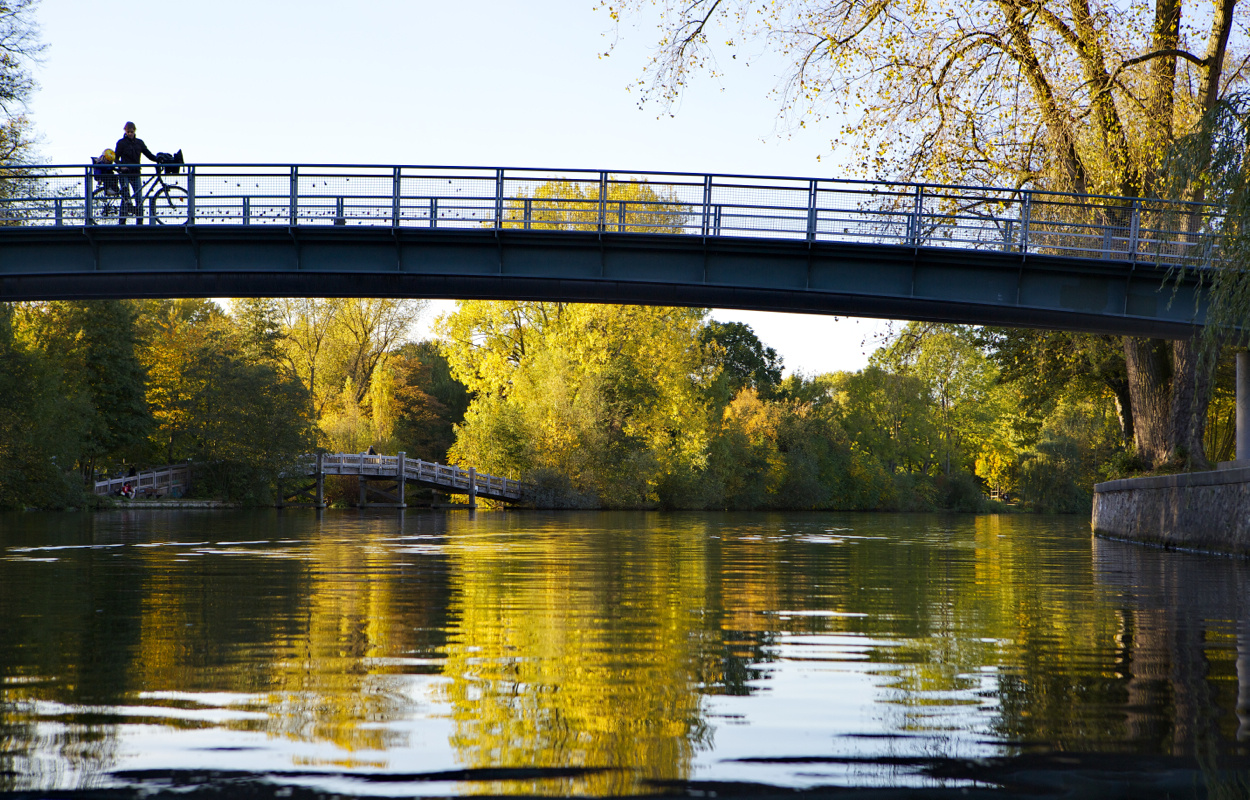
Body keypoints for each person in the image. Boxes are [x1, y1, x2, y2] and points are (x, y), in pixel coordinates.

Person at [115, 121, 157, 224]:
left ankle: (140, 221)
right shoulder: (121, 143)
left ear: (135, 131)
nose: (130, 133)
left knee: (139, 198)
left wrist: (158, 160)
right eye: (128, 132)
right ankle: (122, 221)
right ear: (125, 131)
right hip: (125, 173)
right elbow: (115, 157)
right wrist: (121, 166)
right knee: (126, 197)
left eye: (131, 132)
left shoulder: (139, 143)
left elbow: (148, 154)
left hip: (136, 173)